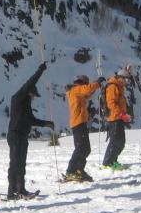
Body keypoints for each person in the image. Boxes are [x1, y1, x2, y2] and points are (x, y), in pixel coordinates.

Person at [6, 63, 54, 199]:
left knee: (21, 163)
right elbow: (30, 82)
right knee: (15, 163)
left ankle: (21, 189)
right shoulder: (19, 98)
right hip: (15, 134)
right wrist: (40, 70)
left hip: (22, 136)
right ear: (29, 92)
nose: (34, 98)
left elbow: (31, 120)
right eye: (33, 95)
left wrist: (46, 123)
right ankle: (12, 191)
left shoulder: (27, 104)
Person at [64, 74, 104, 182]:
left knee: (85, 148)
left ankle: (79, 170)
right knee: (81, 147)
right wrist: (97, 82)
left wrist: (95, 86)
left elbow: (87, 93)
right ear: (83, 82)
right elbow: (87, 90)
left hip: (80, 122)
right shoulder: (76, 89)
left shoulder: (77, 91)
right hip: (78, 123)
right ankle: (71, 171)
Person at [101, 67, 132, 170]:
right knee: (115, 141)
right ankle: (108, 163)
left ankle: (112, 160)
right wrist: (122, 114)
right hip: (114, 118)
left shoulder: (118, 86)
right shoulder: (113, 87)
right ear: (121, 78)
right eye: (126, 79)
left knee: (120, 141)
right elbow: (111, 103)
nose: (127, 82)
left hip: (118, 117)